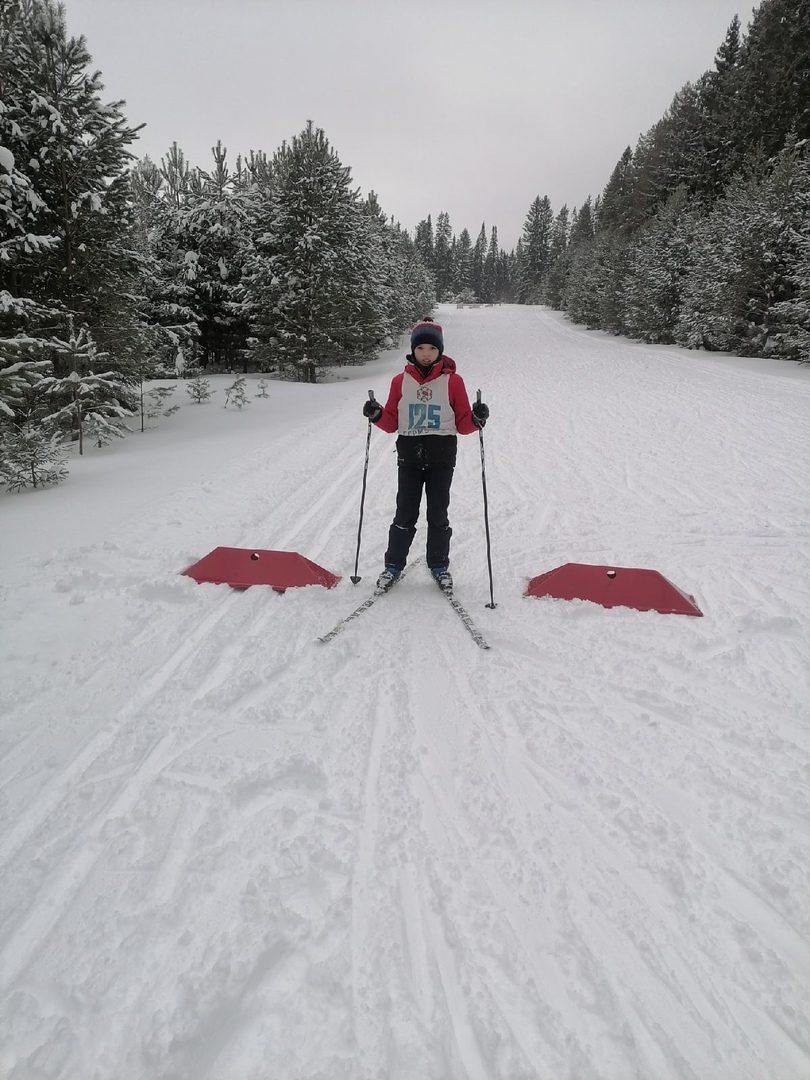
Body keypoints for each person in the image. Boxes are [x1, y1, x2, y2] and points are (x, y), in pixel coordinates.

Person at [362, 319, 489, 593]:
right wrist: (376, 414)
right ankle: (393, 565)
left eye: (432, 347)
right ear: (413, 349)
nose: (427, 353)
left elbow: (464, 423)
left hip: (442, 455)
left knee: (438, 513)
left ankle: (439, 565)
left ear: (440, 350)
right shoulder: (400, 381)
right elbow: (393, 421)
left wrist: (478, 418)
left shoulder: (453, 381)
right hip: (409, 456)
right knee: (405, 512)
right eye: (421, 347)